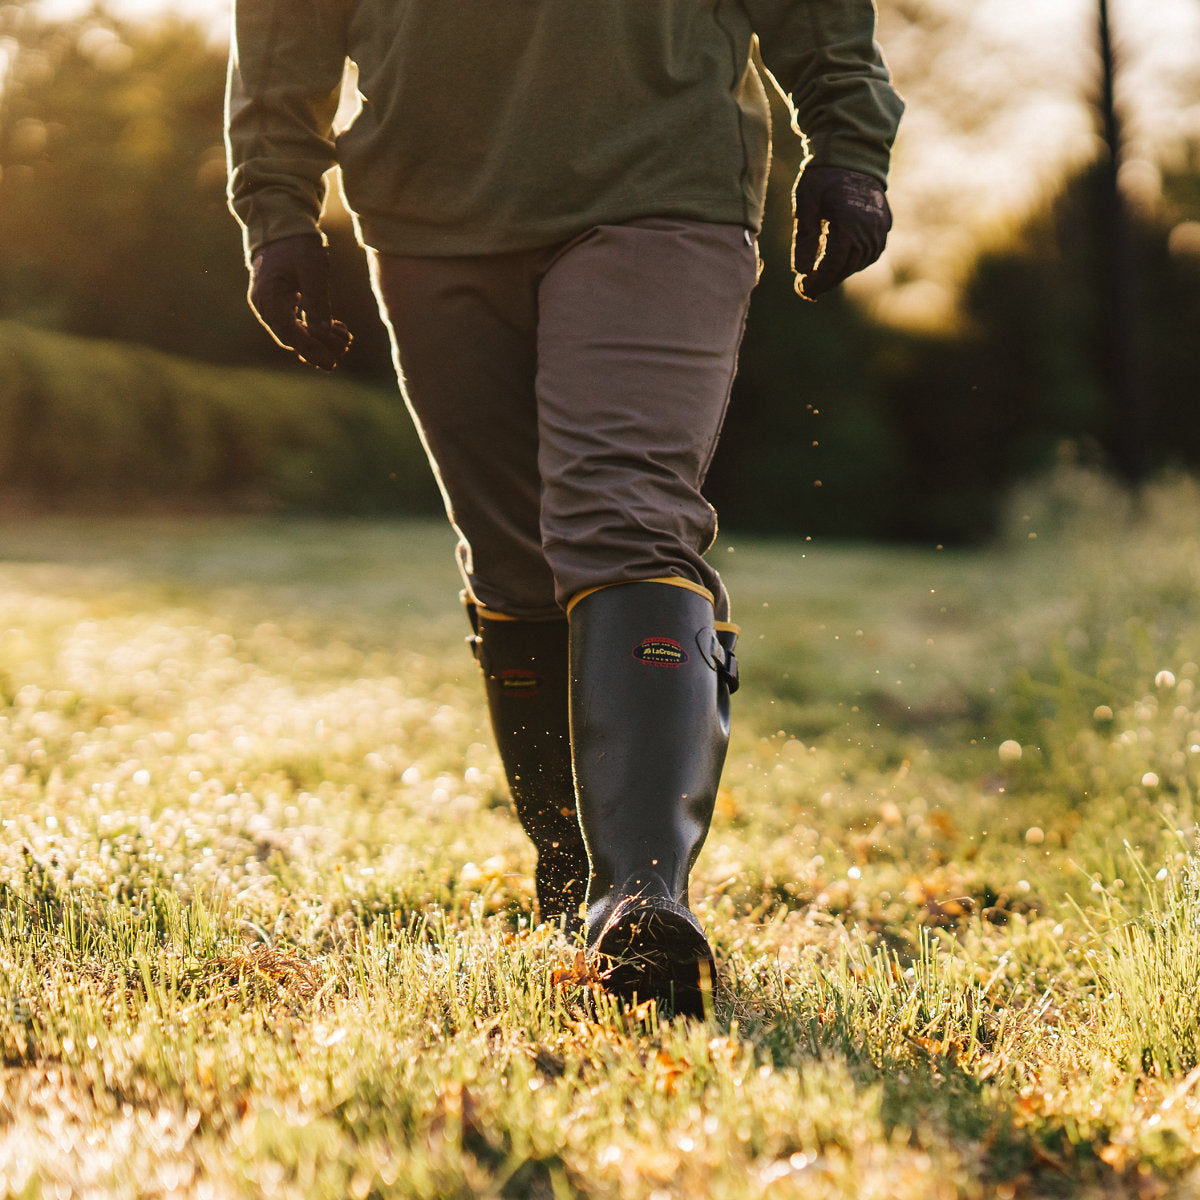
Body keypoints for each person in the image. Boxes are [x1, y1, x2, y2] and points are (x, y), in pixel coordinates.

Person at [225, 1, 903, 1018]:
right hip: (430, 209)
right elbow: (284, 26)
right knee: (511, 561)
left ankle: (640, 896)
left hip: (659, 181)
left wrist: (847, 140)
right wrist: (276, 210)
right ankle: (574, 872)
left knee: (622, 513)